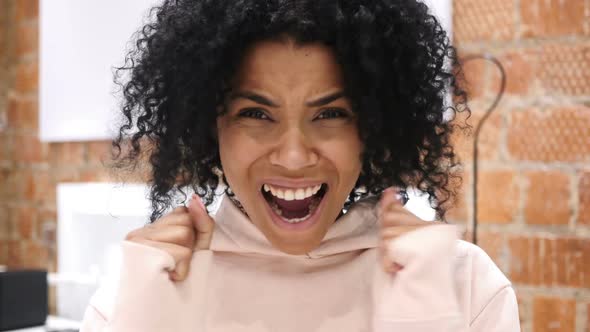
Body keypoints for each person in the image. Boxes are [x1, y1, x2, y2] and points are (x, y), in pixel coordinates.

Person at [80, 0, 520, 331]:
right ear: (210, 128)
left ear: (371, 127)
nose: (293, 156)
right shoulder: (138, 295)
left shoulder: (464, 285)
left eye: (331, 114)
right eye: (256, 114)